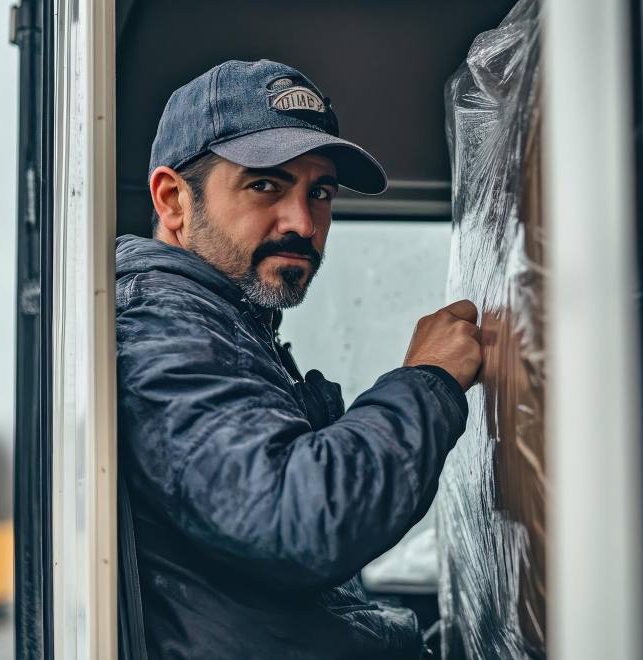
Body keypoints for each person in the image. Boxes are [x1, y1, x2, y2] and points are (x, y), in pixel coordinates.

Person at [115, 59, 482, 660]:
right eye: (265, 185)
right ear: (173, 200)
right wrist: (428, 382)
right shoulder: (162, 325)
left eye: (321, 192)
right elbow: (294, 515)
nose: (304, 223)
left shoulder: (225, 327)